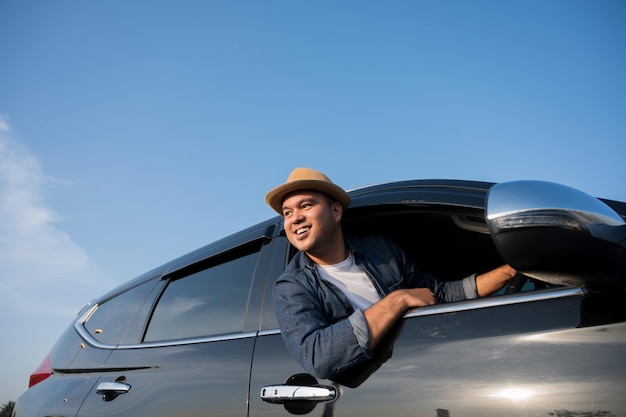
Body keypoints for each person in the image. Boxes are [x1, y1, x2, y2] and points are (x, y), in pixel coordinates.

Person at [266, 167, 516, 383]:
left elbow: (438, 294)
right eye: (287, 213)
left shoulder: (380, 250)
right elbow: (318, 357)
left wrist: (510, 270)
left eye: (306, 205)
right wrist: (396, 300)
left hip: (439, 364)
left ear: (336, 212)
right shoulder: (292, 285)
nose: (295, 218)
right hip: (379, 389)